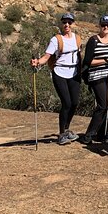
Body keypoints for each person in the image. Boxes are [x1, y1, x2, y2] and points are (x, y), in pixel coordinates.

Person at [30, 13, 83, 145]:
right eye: (64, 22)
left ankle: (67, 129)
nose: (67, 25)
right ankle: (61, 134)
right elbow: (46, 57)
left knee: (75, 102)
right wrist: (37, 62)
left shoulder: (77, 39)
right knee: (66, 103)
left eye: (69, 22)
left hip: (74, 73)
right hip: (60, 73)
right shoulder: (56, 40)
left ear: (73, 24)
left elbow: (79, 56)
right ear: (61, 24)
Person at [80, 15, 108, 144]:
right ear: (99, 26)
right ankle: (89, 134)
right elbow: (88, 61)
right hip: (97, 76)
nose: (106, 27)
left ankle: (102, 134)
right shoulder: (93, 41)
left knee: (107, 105)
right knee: (102, 105)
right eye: (103, 25)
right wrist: (105, 60)